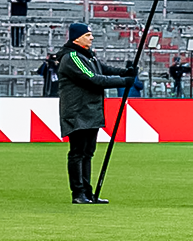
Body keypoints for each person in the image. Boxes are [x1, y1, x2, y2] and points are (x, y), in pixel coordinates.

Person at [56, 23, 135, 204]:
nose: (91, 38)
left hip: (91, 110)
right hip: (77, 111)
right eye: (88, 35)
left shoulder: (88, 56)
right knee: (78, 152)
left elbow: (103, 69)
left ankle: (88, 191)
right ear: (77, 37)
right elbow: (93, 79)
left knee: (88, 152)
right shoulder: (72, 57)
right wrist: (123, 81)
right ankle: (78, 193)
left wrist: (125, 72)